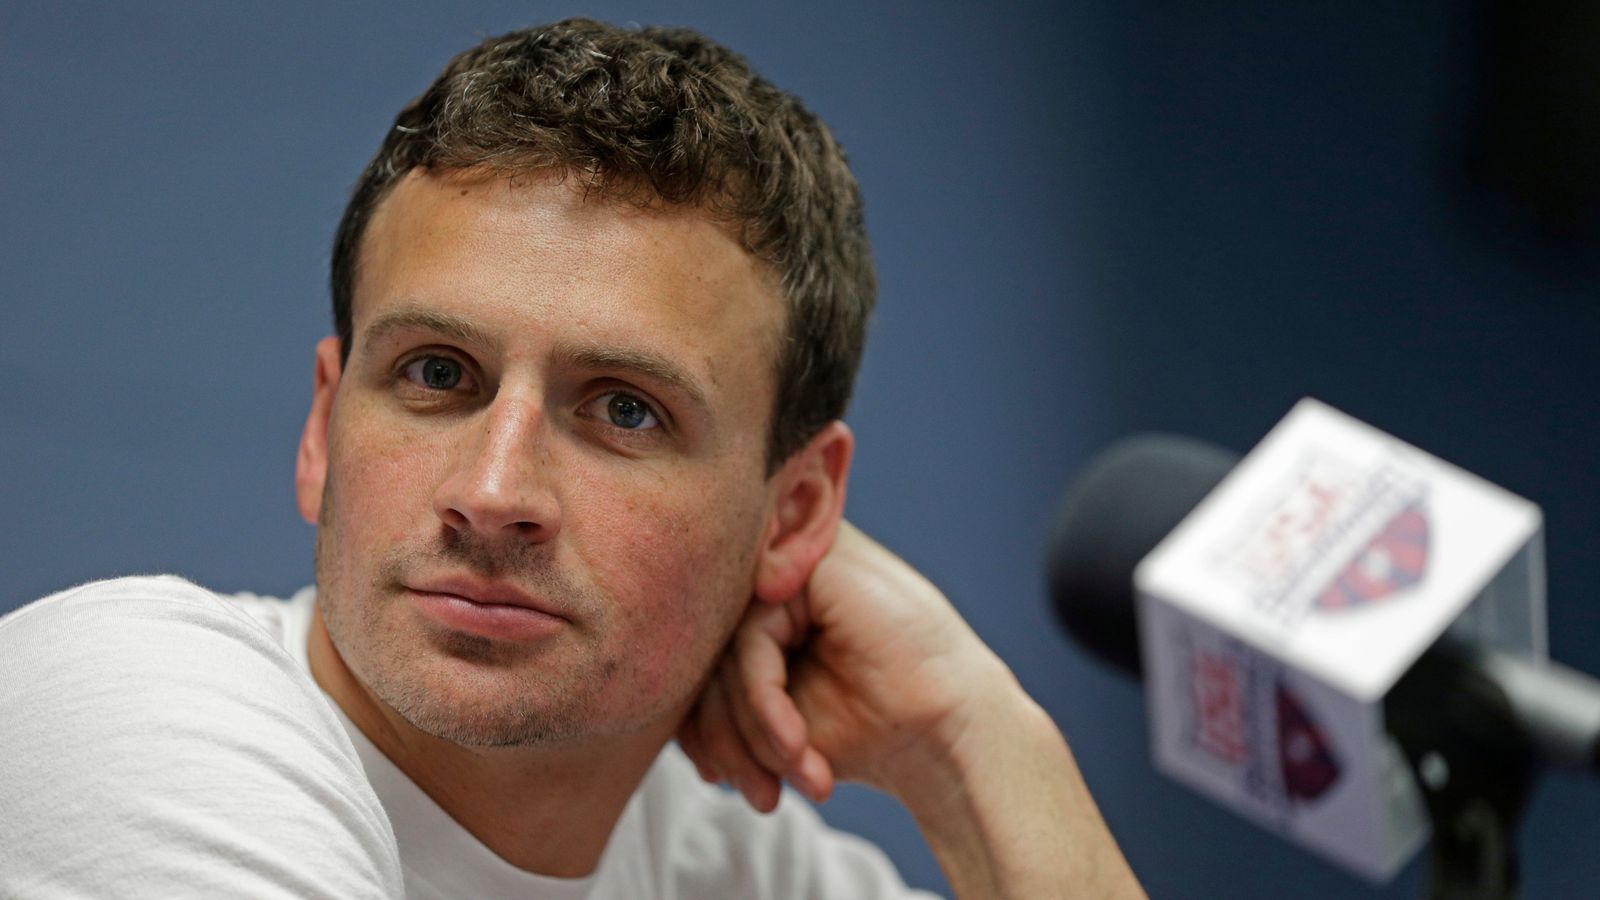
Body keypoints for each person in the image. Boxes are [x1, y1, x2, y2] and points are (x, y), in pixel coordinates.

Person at [0, 19, 1143, 900]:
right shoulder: (130, 710)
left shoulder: (733, 865)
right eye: (438, 374)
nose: (492, 494)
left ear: (792, 517)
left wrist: (966, 747)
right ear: (321, 431)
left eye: (624, 410)